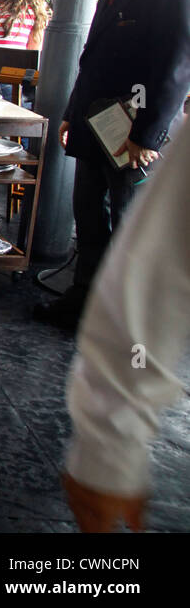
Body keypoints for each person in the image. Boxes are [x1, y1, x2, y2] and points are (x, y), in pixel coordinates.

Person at [40, 0, 190, 327]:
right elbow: (94, 56)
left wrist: (147, 135)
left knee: (128, 224)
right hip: (96, 124)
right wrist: (73, 109)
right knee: (89, 215)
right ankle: (84, 301)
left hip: (132, 130)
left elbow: (176, 67)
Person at [62, 129, 190, 532]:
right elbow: (153, 269)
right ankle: (80, 291)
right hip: (109, 125)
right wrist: (108, 452)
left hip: (132, 129)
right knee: (96, 214)